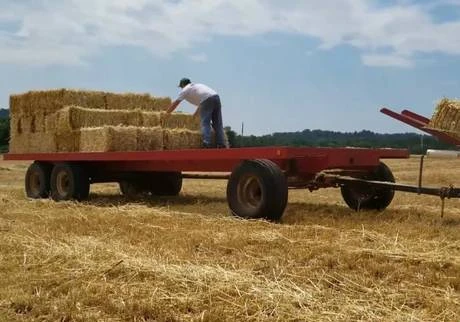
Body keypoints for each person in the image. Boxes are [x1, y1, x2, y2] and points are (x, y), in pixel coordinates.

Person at [166, 78, 227, 148]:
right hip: (216, 97)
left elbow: (176, 103)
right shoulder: (197, 86)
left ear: (182, 85)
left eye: (181, 86)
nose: (181, 88)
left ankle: (206, 143)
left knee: (205, 123)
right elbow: (202, 104)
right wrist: (195, 115)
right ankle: (221, 144)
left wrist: (166, 113)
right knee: (218, 123)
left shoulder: (185, 89)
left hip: (207, 100)